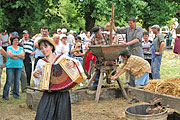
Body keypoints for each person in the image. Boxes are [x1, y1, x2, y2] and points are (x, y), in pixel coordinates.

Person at [33, 37, 83, 120]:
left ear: (51, 47)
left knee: (61, 116)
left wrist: (72, 64)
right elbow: (36, 76)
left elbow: (77, 64)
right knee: (42, 115)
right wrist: (35, 74)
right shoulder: (41, 62)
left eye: (46, 47)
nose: (44, 50)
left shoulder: (62, 58)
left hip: (62, 93)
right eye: (41, 48)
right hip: (49, 92)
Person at [112, 17, 144, 87]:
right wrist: (113, 24)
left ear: (135, 22)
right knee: (130, 68)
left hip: (137, 50)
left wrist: (127, 43)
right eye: (129, 23)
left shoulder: (139, 29)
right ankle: (132, 85)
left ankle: (140, 85)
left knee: (139, 66)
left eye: (131, 23)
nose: (130, 25)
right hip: (130, 50)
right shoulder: (127, 28)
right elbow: (116, 30)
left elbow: (137, 39)